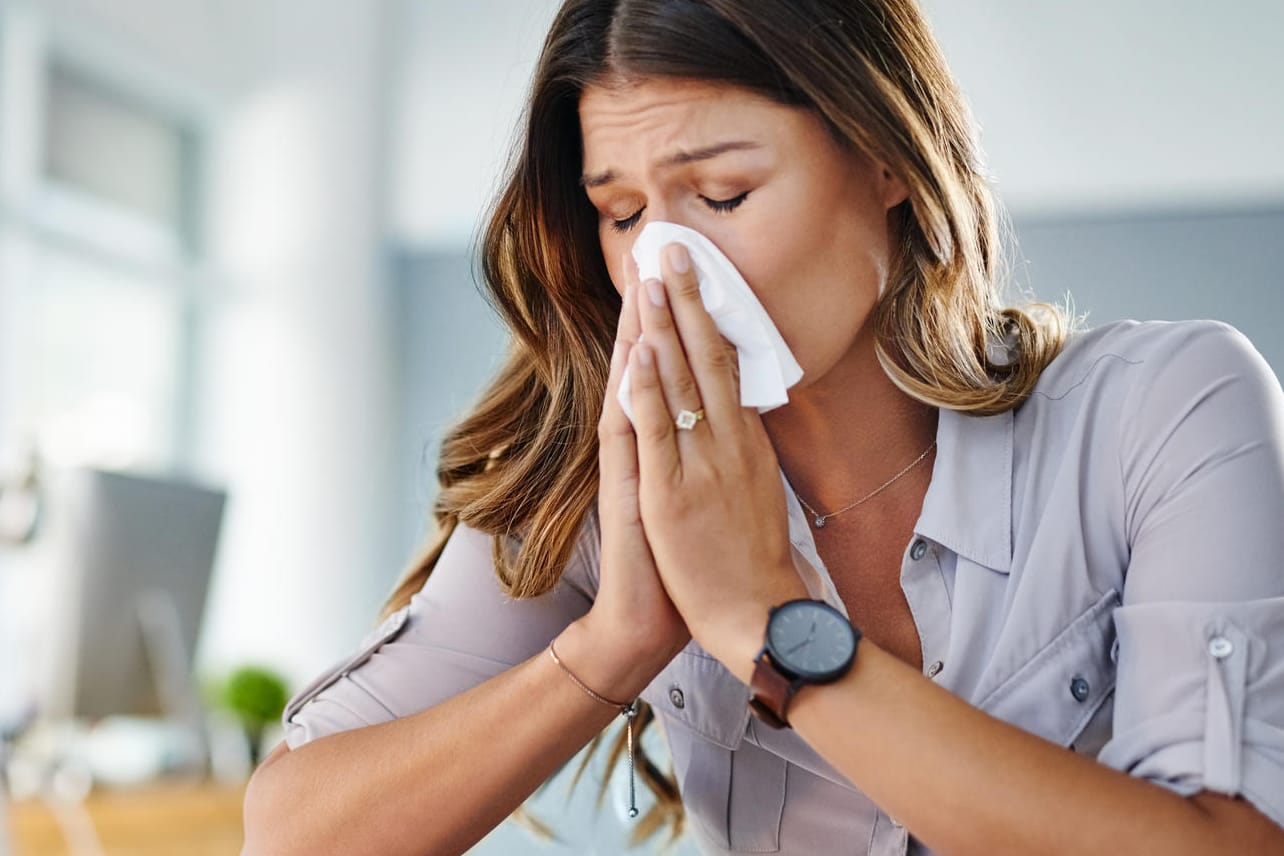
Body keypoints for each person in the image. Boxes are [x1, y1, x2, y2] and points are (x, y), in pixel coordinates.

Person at [241, 1, 1284, 854]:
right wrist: (616, 643)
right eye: (623, 214)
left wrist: (771, 621)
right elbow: (293, 835)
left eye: (724, 193)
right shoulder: (607, 491)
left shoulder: (1163, 412)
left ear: (889, 160)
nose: (668, 264)